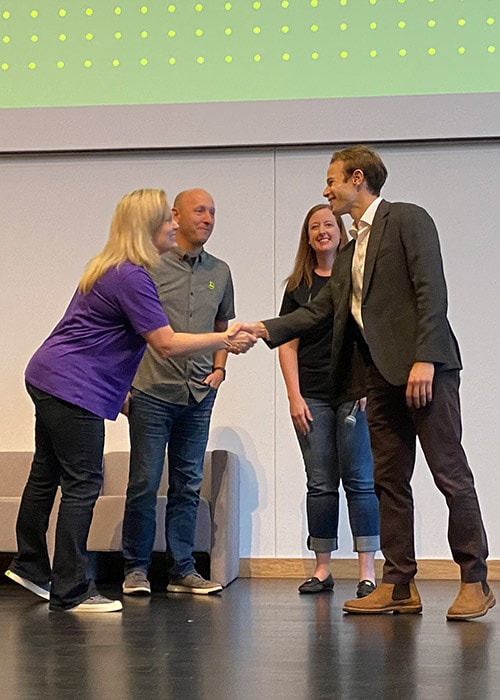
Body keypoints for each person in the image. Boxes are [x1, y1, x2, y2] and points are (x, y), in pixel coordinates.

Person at [248, 145, 494, 621]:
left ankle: (474, 579)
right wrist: (264, 328)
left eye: (332, 180)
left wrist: (425, 357)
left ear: (357, 178)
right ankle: (399, 585)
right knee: (388, 481)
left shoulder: (406, 218)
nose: (326, 189)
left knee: (449, 473)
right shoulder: (348, 251)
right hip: (378, 380)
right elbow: (319, 310)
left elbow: (431, 288)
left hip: (427, 370)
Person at [5, 188, 256, 613]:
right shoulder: (133, 276)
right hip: (72, 386)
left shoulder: (109, 268)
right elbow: (166, 344)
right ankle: (70, 589)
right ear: (147, 226)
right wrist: (225, 340)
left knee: (46, 475)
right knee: (83, 484)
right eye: (167, 220)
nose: (174, 225)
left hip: (49, 375)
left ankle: (31, 564)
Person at [121, 188, 237, 596]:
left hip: (198, 394)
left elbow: (225, 325)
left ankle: (182, 569)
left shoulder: (220, 271)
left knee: (188, 484)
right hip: (151, 391)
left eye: (213, 211)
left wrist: (219, 370)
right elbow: (126, 328)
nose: (208, 218)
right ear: (176, 215)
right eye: (200, 210)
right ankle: (135, 568)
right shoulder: (148, 266)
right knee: (144, 482)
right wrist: (121, 386)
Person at [278, 204, 379, 597]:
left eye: (328, 224)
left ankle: (368, 571)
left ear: (341, 232)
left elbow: (373, 335)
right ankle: (322, 569)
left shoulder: (357, 278)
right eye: (314, 226)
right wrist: (294, 396)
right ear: (308, 237)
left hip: (355, 393)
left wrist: (372, 384)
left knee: (360, 481)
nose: (322, 231)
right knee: (320, 483)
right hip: (313, 396)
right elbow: (286, 343)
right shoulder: (297, 288)